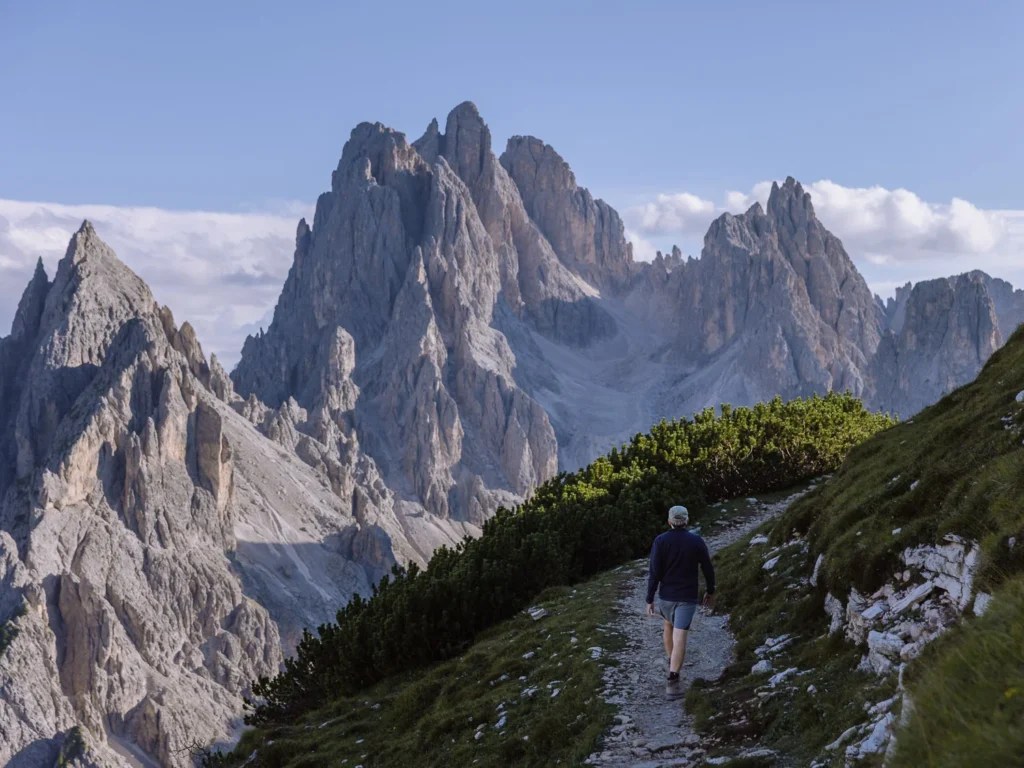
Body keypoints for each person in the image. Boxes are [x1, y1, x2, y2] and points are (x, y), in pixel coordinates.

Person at [645, 504, 716, 700]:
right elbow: (708, 568)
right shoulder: (696, 541)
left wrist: (649, 598)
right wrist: (710, 590)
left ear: (669, 521)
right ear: (686, 520)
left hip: (666, 597)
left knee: (667, 625)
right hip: (686, 598)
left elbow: (654, 572)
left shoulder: (660, 541)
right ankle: (673, 682)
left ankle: (671, 661)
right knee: (680, 637)